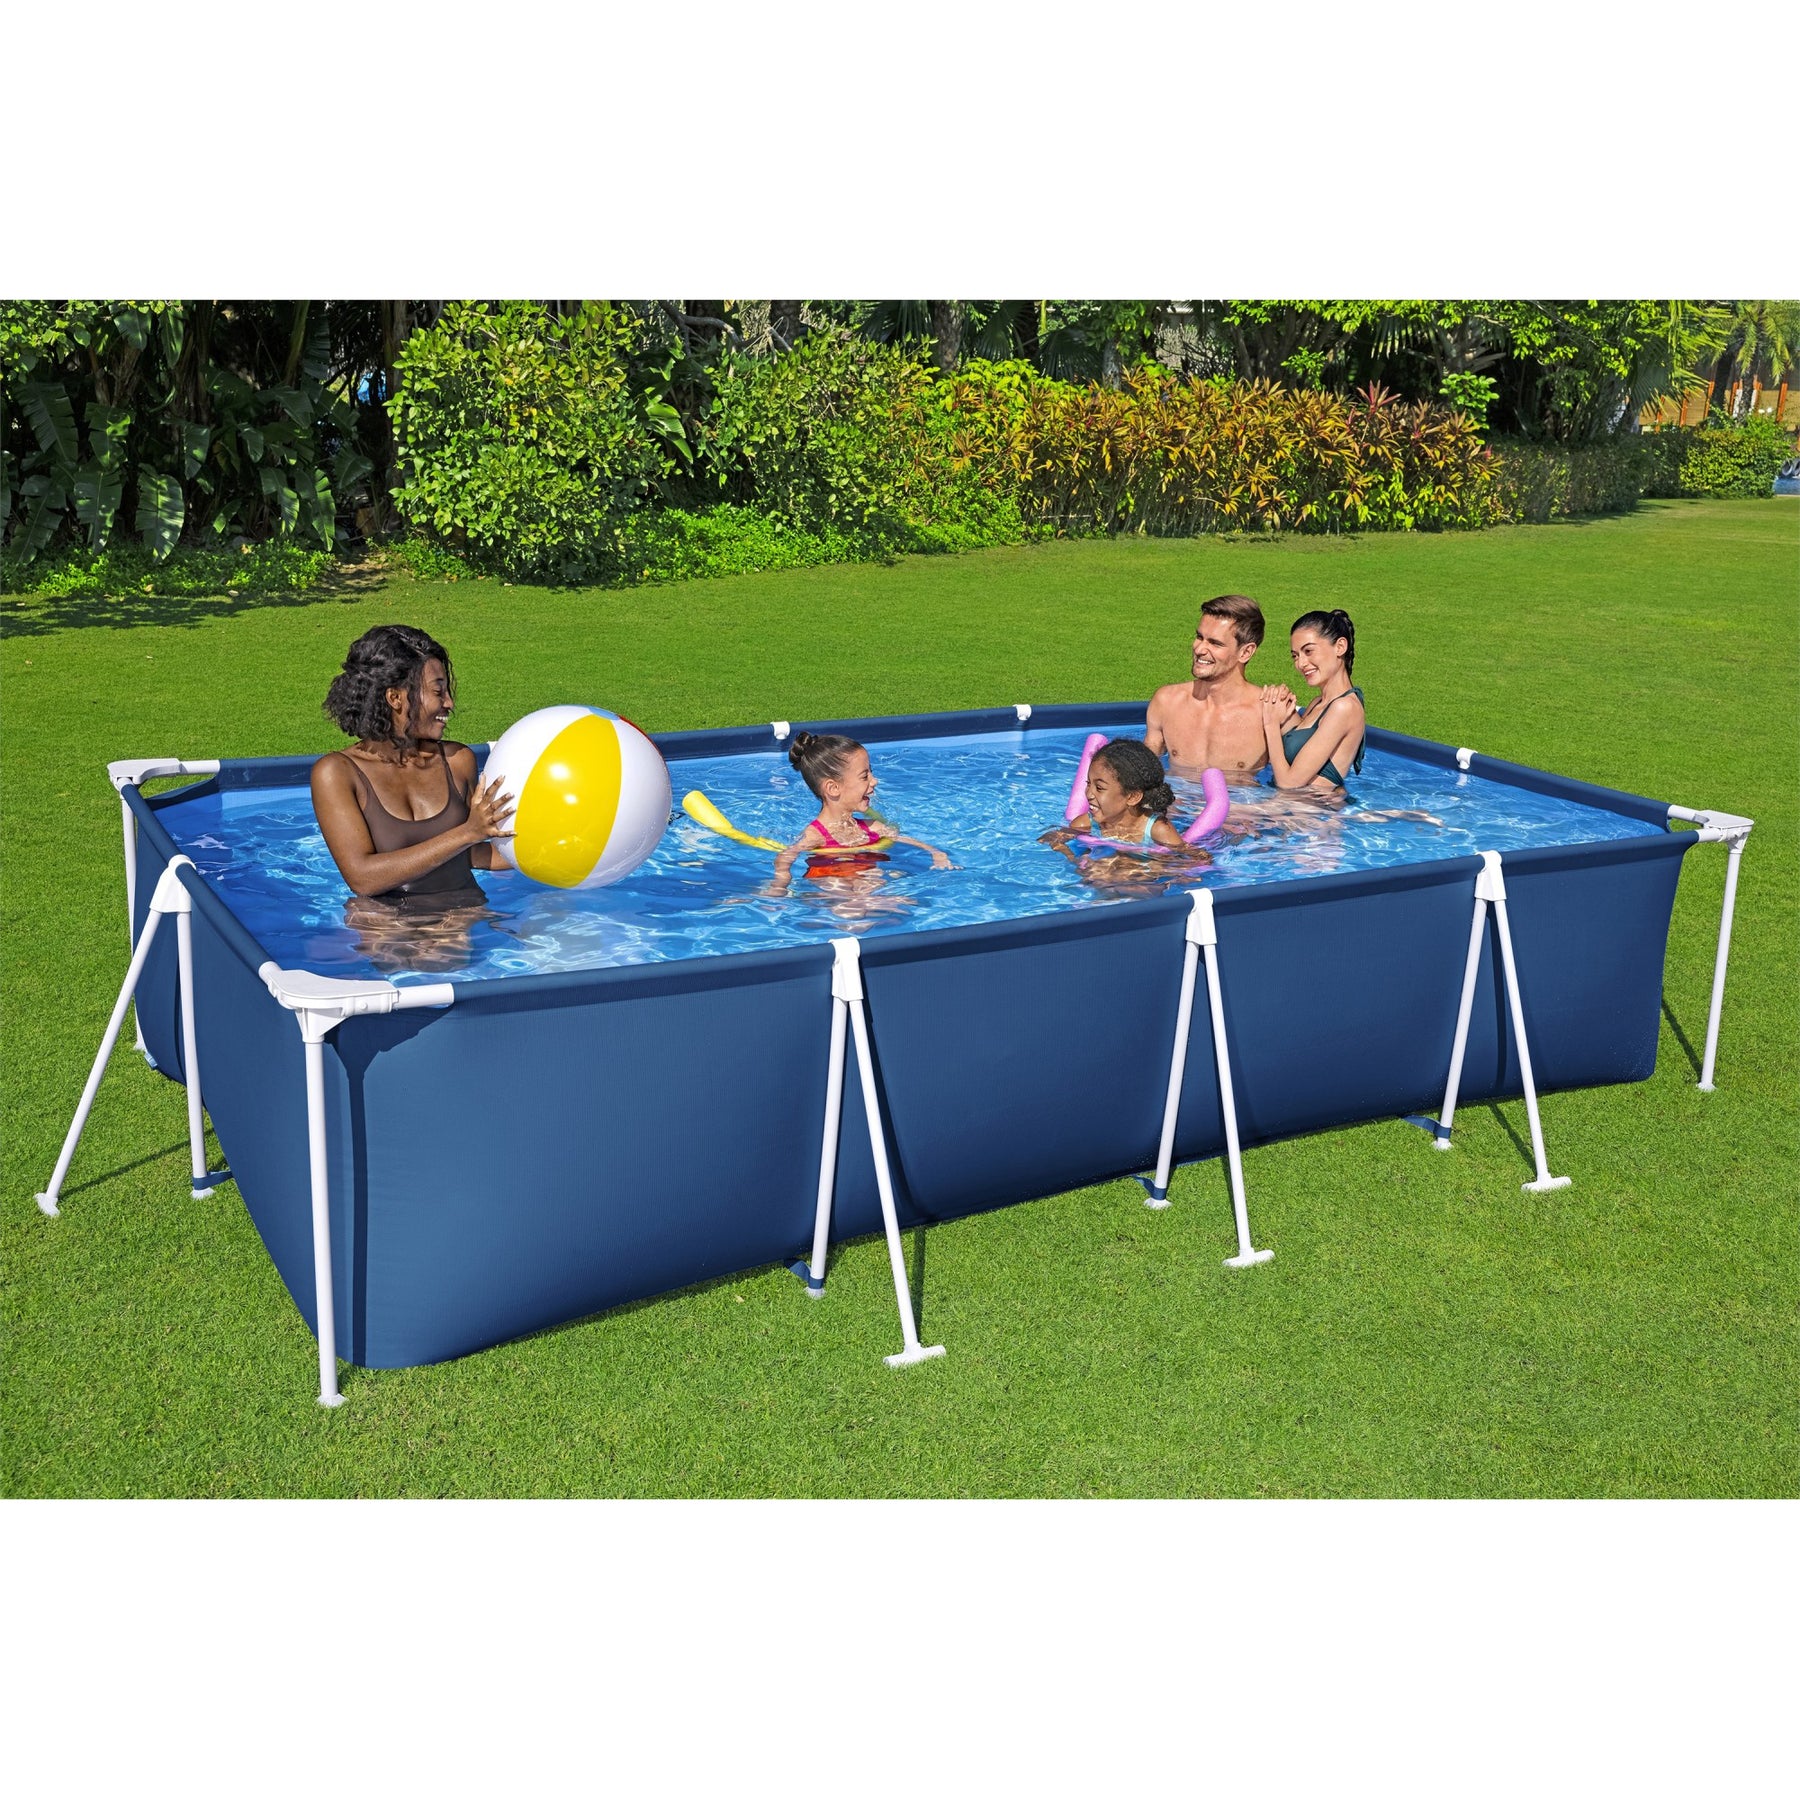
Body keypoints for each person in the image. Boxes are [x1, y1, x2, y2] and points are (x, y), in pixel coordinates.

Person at [310, 624, 516, 904]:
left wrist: (549, 847)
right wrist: (467, 833)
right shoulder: (337, 773)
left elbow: (465, 854)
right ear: (395, 698)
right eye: (438, 692)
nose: (449, 703)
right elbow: (362, 878)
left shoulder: (457, 761)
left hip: (463, 916)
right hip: (387, 922)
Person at [767, 732, 954, 895]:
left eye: (871, 773)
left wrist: (936, 853)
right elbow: (786, 856)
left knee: (896, 894)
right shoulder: (816, 834)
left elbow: (904, 839)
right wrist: (780, 884)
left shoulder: (871, 827)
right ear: (833, 788)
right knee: (851, 903)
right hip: (830, 883)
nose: (875, 781)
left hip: (864, 882)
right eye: (865, 776)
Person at [1040, 739, 1209, 881]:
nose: (1089, 794)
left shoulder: (1157, 829)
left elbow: (1199, 858)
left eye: (1099, 788)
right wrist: (1074, 859)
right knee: (1099, 873)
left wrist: (1162, 870)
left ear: (1132, 797)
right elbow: (1050, 838)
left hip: (1143, 883)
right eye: (1088, 784)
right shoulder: (1086, 823)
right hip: (1102, 879)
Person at [1144, 594, 1272, 778]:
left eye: (1215, 643)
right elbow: (1143, 773)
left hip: (1240, 798)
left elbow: (1300, 782)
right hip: (1176, 797)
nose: (1199, 649)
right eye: (1199, 637)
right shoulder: (1167, 702)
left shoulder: (1268, 712)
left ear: (1245, 652)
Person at [1260, 609, 1366, 791]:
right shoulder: (1318, 703)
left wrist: (1271, 724)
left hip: (1311, 807)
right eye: (1295, 656)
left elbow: (1289, 783)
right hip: (1291, 803)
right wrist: (1278, 704)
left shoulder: (1344, 707)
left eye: (1308, 651)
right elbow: (1295, 752)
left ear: (1340, 647)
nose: (1300, 664)